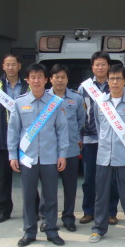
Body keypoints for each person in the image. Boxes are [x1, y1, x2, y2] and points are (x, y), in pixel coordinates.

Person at [7, 63, 69, 247]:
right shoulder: (19, 103)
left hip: (50, 158)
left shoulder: (55, 103)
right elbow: (13, 131)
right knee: (28, 197)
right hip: (27, 159)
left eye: (39, 77)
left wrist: (62, 154)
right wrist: (12, 155)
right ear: (27, 80)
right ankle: (29, 232)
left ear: (46, 80)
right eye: (32, 77)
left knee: (50, 197)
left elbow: (62, 130)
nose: (36, 81)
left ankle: (51, 230)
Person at [85, 64, 125, 244]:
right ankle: (98, 229)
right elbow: (99, 127)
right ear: (108, 81)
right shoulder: (100, 103)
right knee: (101, 195)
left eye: (119, 79)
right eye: (112, 79)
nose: (115, 82)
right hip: (103, 157)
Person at [38, 64, 85, 232]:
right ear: (50, 79)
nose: (59, 80)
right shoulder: (43, 98)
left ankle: (68, 217)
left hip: (70, 149)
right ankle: (46, 218)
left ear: (67, 79)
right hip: (49, 151)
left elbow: (81, 121)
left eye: (63, 77)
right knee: (48, 187)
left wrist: (77, 138)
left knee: (70, 186)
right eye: (56, 77)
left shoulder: (76, 98)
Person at [0, 53, 31, 223]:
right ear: (3, 66)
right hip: (2, 139)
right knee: (4, 177)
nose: (10, 67)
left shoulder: (28, 85)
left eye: (13, 64)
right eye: (7, 64)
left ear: (19, 66)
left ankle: (33, 210)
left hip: (26, 140)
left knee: (29, 177)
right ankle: (4, 211)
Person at [78, 51, 119, 226]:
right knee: (89, 178)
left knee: (111, 179)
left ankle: (111, 212)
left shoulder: (116, 84)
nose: (100, 67)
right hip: (90, 138)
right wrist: (79, 135)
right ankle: (89, 211)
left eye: (103, 64)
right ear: (92, 67)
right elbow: (80, 113)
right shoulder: (84, 88)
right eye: (97, 65)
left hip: (111, 140)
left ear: (109, 66)